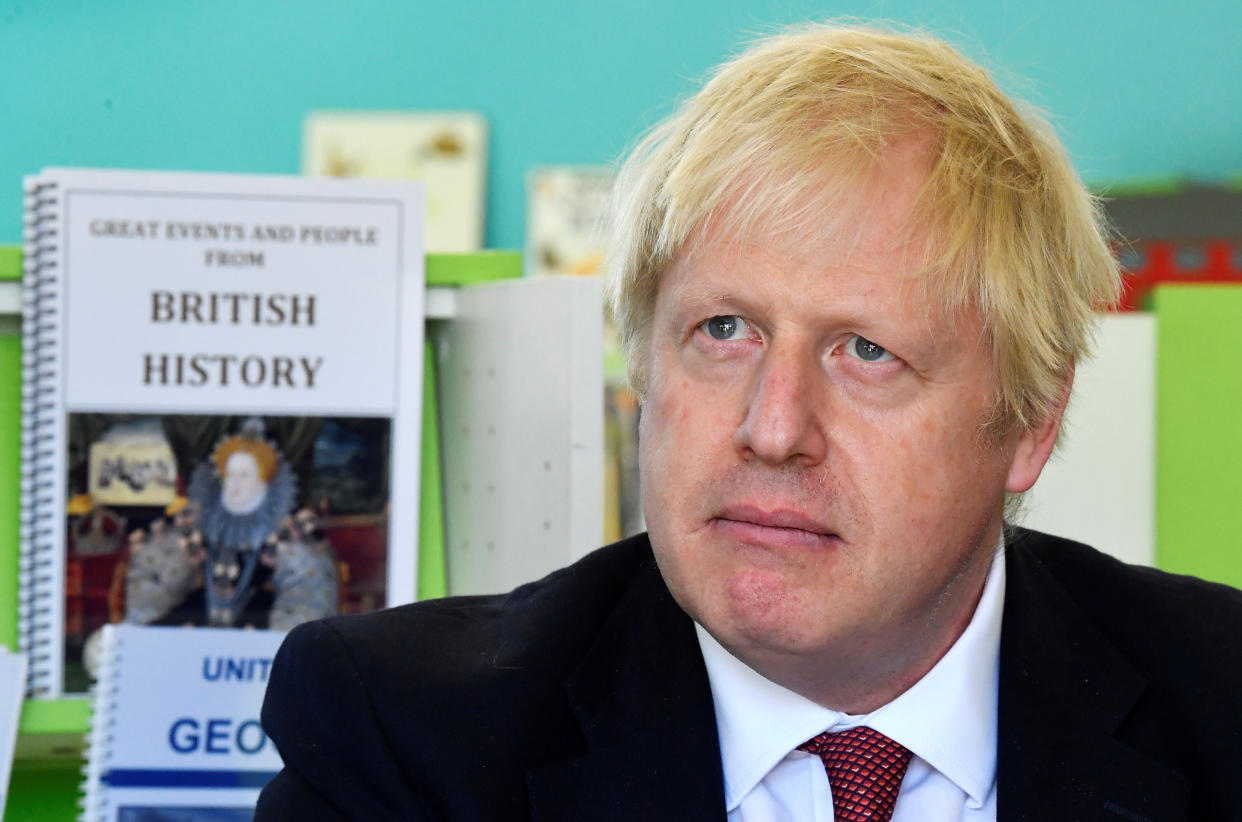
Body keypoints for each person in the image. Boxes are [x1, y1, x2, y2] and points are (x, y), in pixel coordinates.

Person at [255, 23, 1242, 822]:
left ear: (1033, 417)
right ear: (645, 361)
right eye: (723, 330)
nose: (773, 429)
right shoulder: (407, 739)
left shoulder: (1221, 707)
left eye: (866, 352)